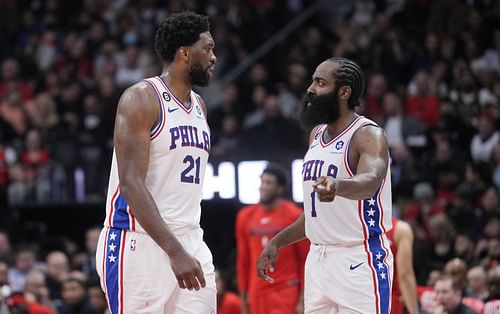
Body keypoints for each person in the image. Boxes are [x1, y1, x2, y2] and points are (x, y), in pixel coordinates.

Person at [95, 11, 217, 313]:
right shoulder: (142, 99)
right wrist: (174, 251)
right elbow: (131, 184)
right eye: (209, 48)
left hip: (190, 238)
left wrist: (183, 248)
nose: (214, 57)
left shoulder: (199, 105)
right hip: (138, 243)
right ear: (185, 53)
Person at [257, 57, 394, 313]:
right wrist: (277, 241)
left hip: (358, 258)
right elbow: (314, 215)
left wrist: (338, 185)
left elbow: (371, 181)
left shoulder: (368, 134)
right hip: (318, 260)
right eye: (312, 81)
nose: (310, 89)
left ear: (344, 92)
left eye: (320, 83)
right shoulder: (316, 136)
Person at [236, 165, 309, 314]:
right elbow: (243, 260)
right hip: (256, 291)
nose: (263, 187)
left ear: (280, 188)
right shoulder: (245, 216)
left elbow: (305, 260)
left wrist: (303, 299)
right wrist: (243, 298)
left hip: (285, 290)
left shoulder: (295, 215)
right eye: (262, 182)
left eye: (269, 183)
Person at [386, 218, 419, 314]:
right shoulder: (400, 229)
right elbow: (405, 275)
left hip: (356, 298)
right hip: (388, 300)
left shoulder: (350, 228)